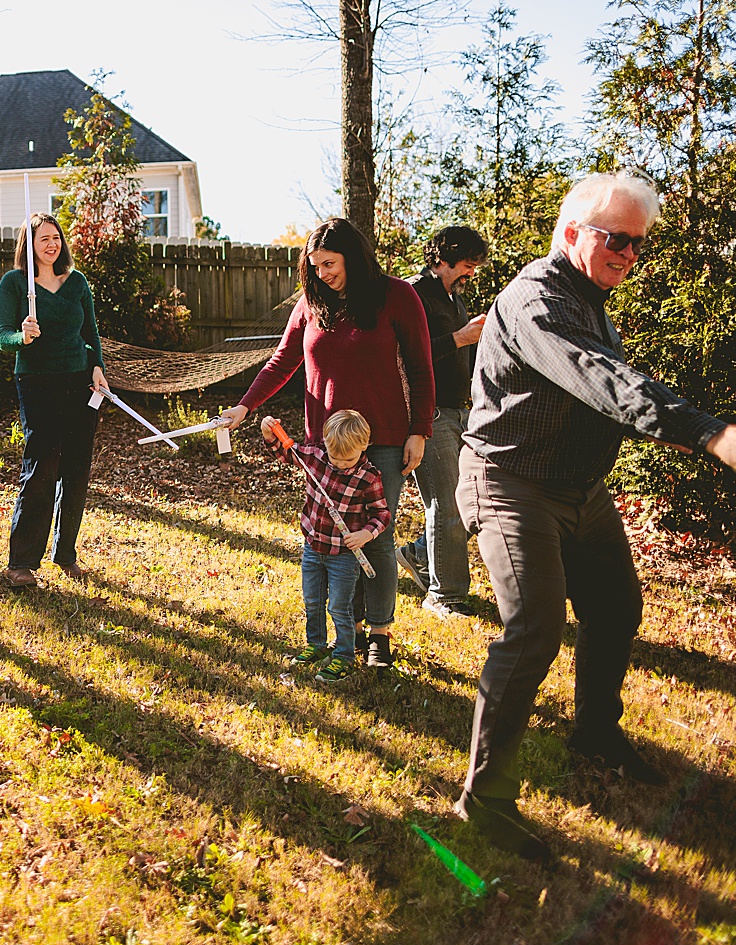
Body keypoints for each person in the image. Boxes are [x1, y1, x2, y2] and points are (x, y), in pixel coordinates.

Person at [453, 172, 736, 861]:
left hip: (579, 488)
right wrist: (708, 432)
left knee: (615, 607)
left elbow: (606, 387)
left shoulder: (591, 297)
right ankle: (482, 802)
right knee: (535, 627)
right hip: (509, 482)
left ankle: (595, 735)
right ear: (574, 231)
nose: (629, 256)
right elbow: (603, 378)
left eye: (639, 245)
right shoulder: (534, 301)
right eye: (617, 240)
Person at [222, 218, 434, 670]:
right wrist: (244, 407)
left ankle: (379, 632)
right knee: (336, 537)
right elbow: (282, 361)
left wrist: (419, 431)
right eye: (314, 266)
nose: (322, 273)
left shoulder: (396, 295)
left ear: (353, 259)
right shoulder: (310, 304)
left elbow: (420, 366)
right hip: (327, 444)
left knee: (374, 536)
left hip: (383, 441)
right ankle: (349, 629)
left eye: (330, 264)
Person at [0, 213, 106, 587]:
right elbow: (1, 336)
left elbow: (90, 333)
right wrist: (21, 337)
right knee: (41, 467)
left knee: (75, 471)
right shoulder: (14, 284)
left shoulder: (76, 283)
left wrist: (97, 368)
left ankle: (65, 552)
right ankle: (21, 562)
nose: (51, 244)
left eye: (55, 237)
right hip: (38, 383)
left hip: (79, 383)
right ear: (28, 245)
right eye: (42, 238)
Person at [397, 226, 490, 619]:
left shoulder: (454, 295)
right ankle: (444, 596)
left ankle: (419, 554)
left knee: (473, 500)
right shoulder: (414, 292)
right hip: (428, 412)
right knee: (447, 504)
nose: (471, 273)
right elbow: (402, 356)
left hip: (460, 410)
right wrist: (459, 339)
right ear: (445, 257)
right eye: (467, 265)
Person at [261, 410, 390, 683]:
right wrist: (268, 434)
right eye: (336, 457)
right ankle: (316, 645)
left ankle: (344, 655)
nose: (342, 464)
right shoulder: (316, 457)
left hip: (343, 556)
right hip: (313, 546)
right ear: (325, 445)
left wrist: (366, 535)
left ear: (364, 446)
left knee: (339, 607)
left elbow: (382, 515)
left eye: (349, 458)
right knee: (312, 601)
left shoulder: (369, 476)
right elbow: (286, 452)